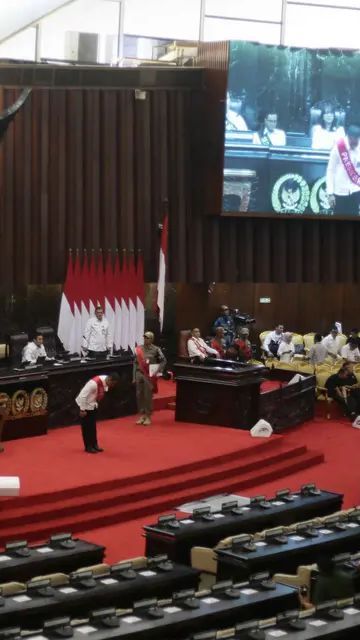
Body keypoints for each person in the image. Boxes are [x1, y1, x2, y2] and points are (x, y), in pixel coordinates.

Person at [75, 372, 120, 453]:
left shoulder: (105, 381)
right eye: (112, 384)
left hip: (93, 404)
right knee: (86, 427)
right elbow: (82, 396)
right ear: (109, 379)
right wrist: (82, 410)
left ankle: (94, 444)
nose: (112, 386)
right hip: (84, 404)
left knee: (93, 426)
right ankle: (88, 446)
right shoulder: (93, 384)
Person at [326, 124, 360, 216]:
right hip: (339, 192)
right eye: (353, 141)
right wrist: (330, 193)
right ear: (348, 137)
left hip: (355, 191)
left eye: (357, 140)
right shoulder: (338, 147)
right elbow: (330, 171)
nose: (356, 144)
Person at [135, 331, 166, 426]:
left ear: (152, 339)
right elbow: (135, 362)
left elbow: (163, 360)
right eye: (144, 337)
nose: (145, 339)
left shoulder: (156, 349)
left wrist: (158, 371)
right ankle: (142, 414)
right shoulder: (139, 348)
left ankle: (148, 415)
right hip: (139, 373)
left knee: (148, 395)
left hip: (149, 375)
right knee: (139, 395)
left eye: (147, 338)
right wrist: (134, 376)